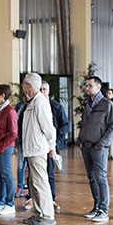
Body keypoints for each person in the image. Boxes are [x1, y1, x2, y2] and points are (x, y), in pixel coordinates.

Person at [78, 76, 113, 223]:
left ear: (98, 87)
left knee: (101, 177)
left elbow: (112, 126)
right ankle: (96, 207)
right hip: (86, 146)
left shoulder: (107, 105)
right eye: (86, 85)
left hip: (98, 147)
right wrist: (80, 139)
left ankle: (104, 210)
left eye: (90, 86)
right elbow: (84, 123)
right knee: (92, 178)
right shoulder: (88, 104)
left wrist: (101, 144)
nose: (87, 88)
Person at [20, 73, 57, 225]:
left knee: (40, 183)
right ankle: (38, 213)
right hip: (31, 149)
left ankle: (47, 215)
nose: (22, 86)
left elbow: (49, 128)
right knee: (34, 183)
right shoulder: (33, 101)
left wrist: (52, 147)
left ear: (29, 86)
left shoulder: (40, 102)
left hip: (37, 150)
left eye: (24, 83)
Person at [40, 80, 70, 212]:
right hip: (37, 145)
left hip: (51, 145)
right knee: (34, 173)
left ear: (49, 91)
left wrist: (56, 140)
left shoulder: (56, 106)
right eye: (40, 89)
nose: (42, 92)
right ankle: (32, 197)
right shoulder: (31, 105)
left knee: (50, 172)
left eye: (44, 89)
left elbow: (65, 125)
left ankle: (51, 198)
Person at [0, 84, 18, 216]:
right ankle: (0, 201)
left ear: (2, 96)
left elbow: (13, 133)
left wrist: (1, 146)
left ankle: (10, 204)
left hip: (5, 148)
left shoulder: (10, 111)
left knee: (6, 175)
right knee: (0, 176)